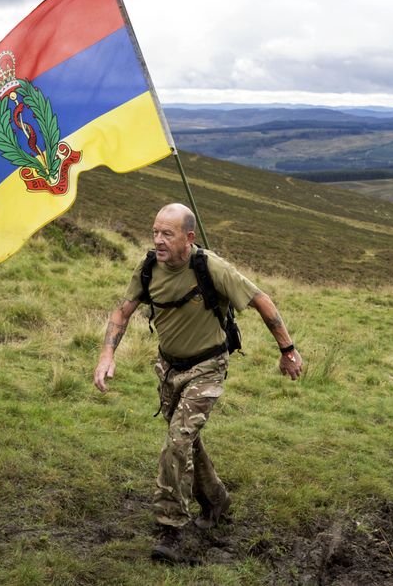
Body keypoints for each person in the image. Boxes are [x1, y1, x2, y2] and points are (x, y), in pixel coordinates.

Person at [93, 202, 303, 564]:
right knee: (188, 441)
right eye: (155, 231)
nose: (158, 240)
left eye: (167, 234)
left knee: (177, 442)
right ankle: (217, 498)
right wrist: (106, 356)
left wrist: (288, 350)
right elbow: (122, 311)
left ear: (188, 238)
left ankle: (170, 529)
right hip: (169, 369)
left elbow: (262, 301)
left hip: (207, 367)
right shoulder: (147, 268)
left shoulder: (211, 267)